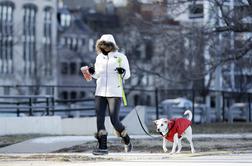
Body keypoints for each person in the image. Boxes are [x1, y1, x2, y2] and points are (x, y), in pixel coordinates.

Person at [82, 34, 132, 155]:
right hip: (100, 92)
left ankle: (126, 139)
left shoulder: (120, 57)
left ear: (112, 45)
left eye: (108, 46)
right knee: (99, 119)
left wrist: (123, 72)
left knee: (114, 120)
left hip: (115, 92)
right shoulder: (99, 58)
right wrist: (92, 72)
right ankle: (103, 147)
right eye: (103, 46)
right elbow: (97, 75)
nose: (105, 48)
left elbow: (127, 75)